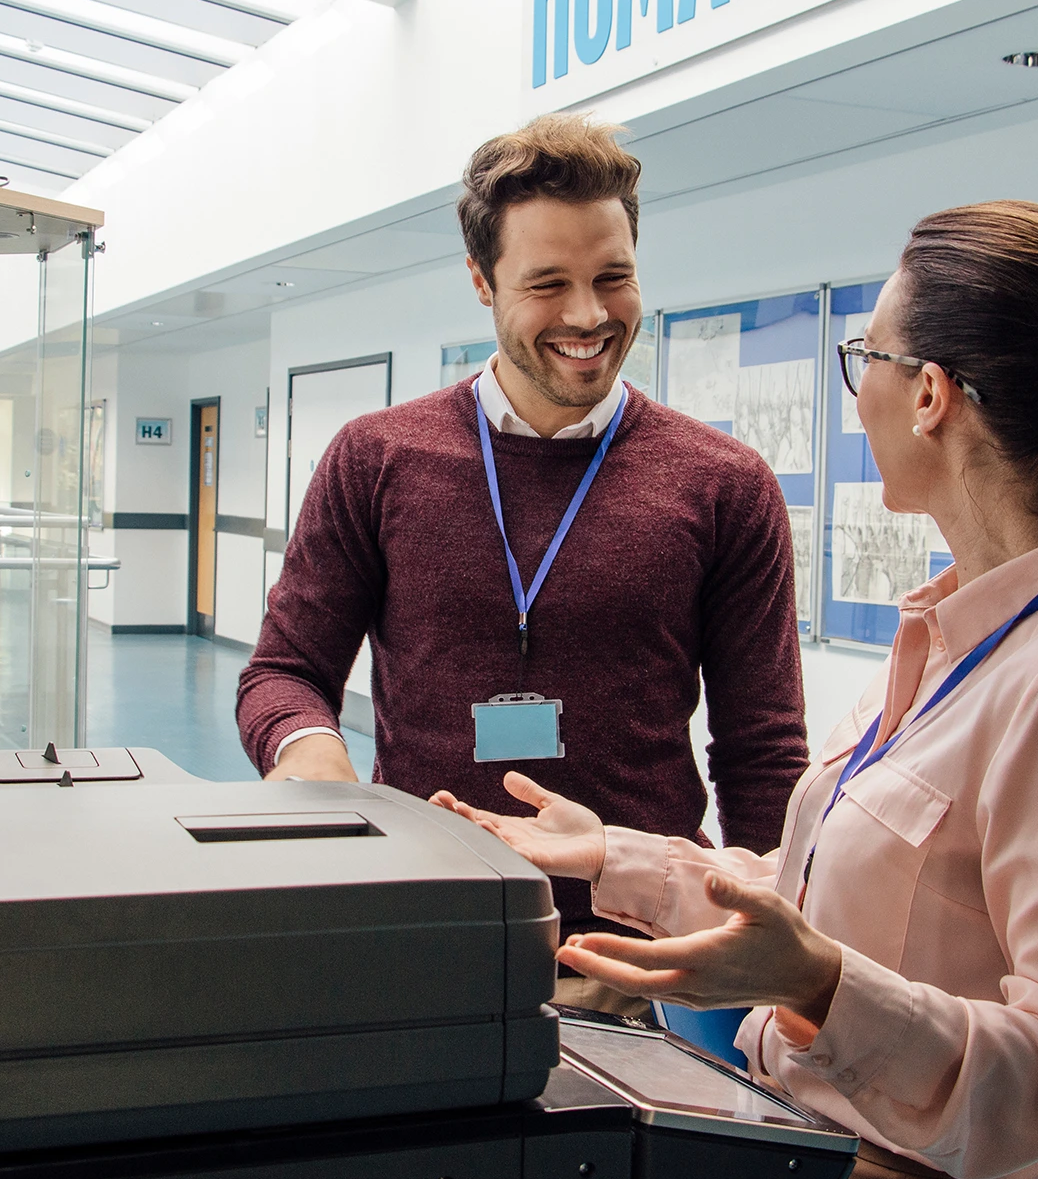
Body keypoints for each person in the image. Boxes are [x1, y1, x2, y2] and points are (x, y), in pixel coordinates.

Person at [434, 200, 1038, 1179]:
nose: (854, 382)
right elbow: (839, 910)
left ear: (927, 395)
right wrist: (615, 857)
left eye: (865, 350)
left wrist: (820, 983)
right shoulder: (950, 637)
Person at [238, 114, 810, 1016]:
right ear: (480, 280)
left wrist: (769, 960)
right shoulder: (378, 458)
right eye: (548, 284)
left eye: (613, 278)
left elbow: (762, 751)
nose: (588, 315)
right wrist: (309, 753)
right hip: (423, 941)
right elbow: (284, 671)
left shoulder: (722, 484)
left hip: (646, 976)